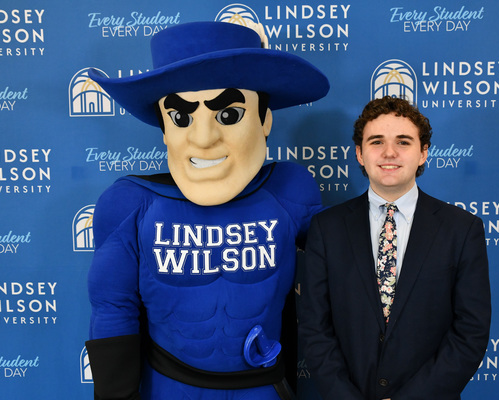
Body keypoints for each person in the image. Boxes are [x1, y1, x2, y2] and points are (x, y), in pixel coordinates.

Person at [85, 21, 329, 400]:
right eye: (181, 118)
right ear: (164, 128)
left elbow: (340, 285)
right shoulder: (130, 203)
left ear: (264, 120)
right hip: (167, 388)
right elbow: (113, 309)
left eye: (228, 115)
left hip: (262, 387)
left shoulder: (289, 191)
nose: (203, 138)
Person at [298, 96, 491, 400]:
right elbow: (314, 328)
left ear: (423, 153)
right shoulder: (327, 228)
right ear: (360, 154)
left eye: (403, 142)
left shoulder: (462, 229)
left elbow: (471, 333)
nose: (389, 152)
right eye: (377, 142)